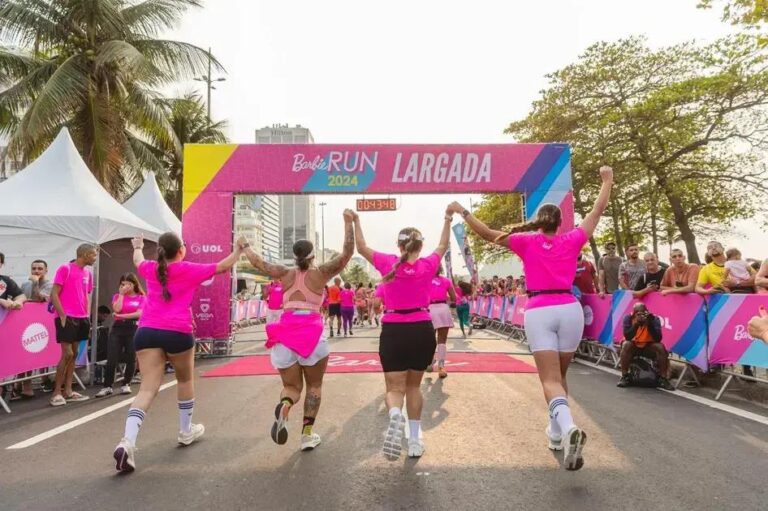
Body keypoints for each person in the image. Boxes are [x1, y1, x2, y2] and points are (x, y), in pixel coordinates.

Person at [448, 165, 614, 471]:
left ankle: (567, 429)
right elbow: (597, 211)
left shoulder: (527, 240)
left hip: (540, 310)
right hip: (570, 309)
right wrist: (607, 181)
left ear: (539, 223)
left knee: (549, 380)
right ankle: (555, 433)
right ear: (561, 222)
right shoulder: (573, 239)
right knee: (560, 378)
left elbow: (487, 234)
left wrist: (463, 212)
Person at [112, 233, 241, 473]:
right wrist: (240, 250)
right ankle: (185, 431)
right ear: (181, 250)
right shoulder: (188, 269)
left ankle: (127, 442)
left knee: (147, 389)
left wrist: (138, 245)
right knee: (185, 379)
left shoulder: (150, 268)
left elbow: (138, 259)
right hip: (178, 332)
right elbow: (224, 266)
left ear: (160, 251)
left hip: (147, 330)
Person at [240, 210, 354, 451]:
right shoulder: (321, 273)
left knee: (292, 388)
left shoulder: (284, 273)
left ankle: (285, 405)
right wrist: (348, 223)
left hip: (285, 335)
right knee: (314, 387)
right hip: (312, 336)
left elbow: (258, 262)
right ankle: (307, 434)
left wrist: (246, 245)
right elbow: (346, 254)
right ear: (312, 256)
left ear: (294, 257)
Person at [352, 208, 451, 460]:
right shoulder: (429, 265)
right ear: (420, 245)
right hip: (421, 328)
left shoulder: (387, 262)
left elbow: (361, 247)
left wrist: (355, 220)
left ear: (398, 245)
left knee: (394, 389)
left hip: (393, 329)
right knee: (414, 387)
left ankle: (396, 415)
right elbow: (443, 244)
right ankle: (415, 440)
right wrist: (447, 218)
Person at [49, 244, 97, 407]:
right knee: (67, 354)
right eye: (93, 255)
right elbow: (54, 294)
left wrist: (87, 315)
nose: (95, 258)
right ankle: (56, 393)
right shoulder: (65, 268)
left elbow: (86, 295)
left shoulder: (88, 273)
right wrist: (62, 315)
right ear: (84, 254)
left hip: (82, 318)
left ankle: (68, 391)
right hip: (67, 317)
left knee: (74, 354)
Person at [96, 273, 146, 398]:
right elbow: (117, 309)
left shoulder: (141, 298)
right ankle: (107, 386)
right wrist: (122, 295)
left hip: (133, 328)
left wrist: (121, 316)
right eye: (123, 284)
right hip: (118, 328)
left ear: (134, 284)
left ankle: (126, 383)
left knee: (131, 356)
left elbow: (139, 314)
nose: (125, 286)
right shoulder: (117, 296)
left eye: (128, 284)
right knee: (112, 357)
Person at [616, 303, 674, 390]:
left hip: (648, 345)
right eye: (639, 314)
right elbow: (628, 337)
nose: (642, 316)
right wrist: (636, 324)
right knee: (626, 344)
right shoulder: (628, 318)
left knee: (660, 347)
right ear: (634, 313)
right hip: (633, 345)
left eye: (644, 313)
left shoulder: (654, 319)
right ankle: (625, 376)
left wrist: (650, 324)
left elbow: (658, 339)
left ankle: (663, 378)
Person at [427, 266, 456, 378]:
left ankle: (429, 362)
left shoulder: (424, 280)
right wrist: (444, 296)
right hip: (443, 309)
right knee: (442, 340)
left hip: (429, 309)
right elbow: (454, 298)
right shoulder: (446, 281)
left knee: (429, 339)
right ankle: (441, 367)